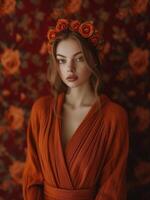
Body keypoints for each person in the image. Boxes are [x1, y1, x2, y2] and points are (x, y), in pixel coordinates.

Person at [22, 18, 129, 200]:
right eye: (62, 61)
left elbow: (112, 184)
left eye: (79, 59)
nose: (69, 68)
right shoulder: (41, 110)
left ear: (93, 61)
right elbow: (32, 175)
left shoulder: (113, 116)